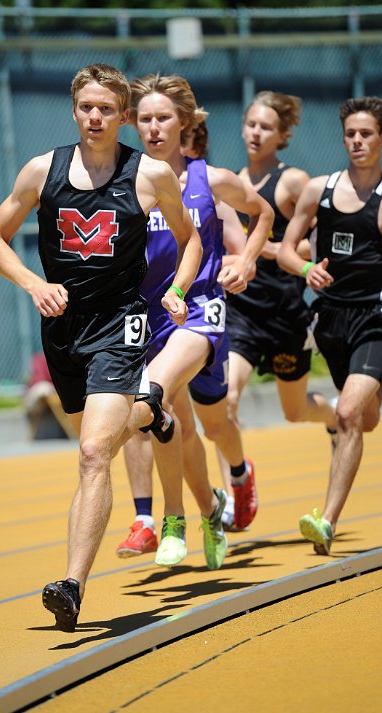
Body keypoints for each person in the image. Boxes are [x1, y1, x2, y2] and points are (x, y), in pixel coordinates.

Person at [0, 63, 203, 632]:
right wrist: (34, 284)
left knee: (91, 452)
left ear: (123, 116)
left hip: (120, 324)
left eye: (107, 108)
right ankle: (150, 408)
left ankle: (72, 586)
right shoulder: (41, 171)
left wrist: (177, 290)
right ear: (74, 109)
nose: (96, 117)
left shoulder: (150, 175)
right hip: (62, 329)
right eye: (87, 107)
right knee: (93, 449)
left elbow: (190, 239)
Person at [116, 74, 273, 569]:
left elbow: (262, 212)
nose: (155, 127)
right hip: (151, 317)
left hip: (201, 309)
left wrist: (245, 259)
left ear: (184, 122)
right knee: (174, 425)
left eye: (164, 118)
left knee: (214, 421)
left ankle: (239, 472)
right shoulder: (127, 182)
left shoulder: (211, 178)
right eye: (145, 119)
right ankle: (191, 517)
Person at [219, 90, 338, 530]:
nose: (255, 132)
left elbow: (319, 242)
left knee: (295, 410)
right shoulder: (230, 182)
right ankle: (236, 490)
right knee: (223, 400)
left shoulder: (292, 183)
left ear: (282, 135)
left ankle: (335, 418)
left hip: (286, 314)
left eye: (266, 127)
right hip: (243, 313)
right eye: (251, 123)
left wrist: (268, 249)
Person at [278, 96, 382, 555]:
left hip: (376, 317)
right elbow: (286, 249)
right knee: (367, 418)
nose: (357, 142)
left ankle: (327, 520)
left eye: (367, 134)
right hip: (331, 319)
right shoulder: (318, 189)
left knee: (346, 413)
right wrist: (305, 271)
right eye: (351, 134)